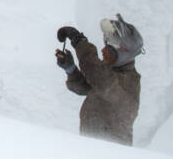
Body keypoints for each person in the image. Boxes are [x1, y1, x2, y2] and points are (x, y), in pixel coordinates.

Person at [55, 14, 144, 145]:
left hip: (113, 156)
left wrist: (79, 41)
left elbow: (98, 76)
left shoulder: (128, 81)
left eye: (110, 48)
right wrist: (71, 69)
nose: (103, 50)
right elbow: (87, 87)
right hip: (92, 149)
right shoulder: (111, 75)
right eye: (105, 44)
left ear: (124, 54)